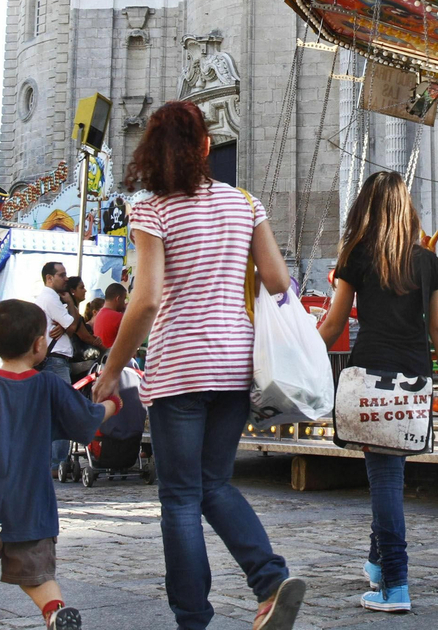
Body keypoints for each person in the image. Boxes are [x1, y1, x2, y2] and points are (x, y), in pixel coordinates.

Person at [92, 100, 306, 630]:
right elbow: (280, 282)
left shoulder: (150, 210)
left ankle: (192, 619)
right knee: (215, 485)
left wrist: (112, 369)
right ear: (206, 147)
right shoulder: (244, 203)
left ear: (151, 152)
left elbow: (145, 300)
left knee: (182, 497)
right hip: (235, 366)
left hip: (180, 367)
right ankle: (269, 580)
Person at [317, 171, 438, 613]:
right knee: (389, 473)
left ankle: (395, 583)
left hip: (369, 374)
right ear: (406, 209)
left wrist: (297, 356)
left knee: (384, 479)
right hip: (414, 377)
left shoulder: (355, 255)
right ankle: (378, 565)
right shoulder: (427, 261)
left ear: (366, 209)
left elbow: (335, 324)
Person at [0, 299, 124, 630]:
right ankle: (54, 611)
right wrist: (111, 404)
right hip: (32, 506)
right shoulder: (49, 385)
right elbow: (85, 422)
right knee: (37, 575)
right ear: (40, 345)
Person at [33, 261, 81, 473]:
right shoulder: (51, 298)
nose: (66, 278)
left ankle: (51, 461)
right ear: (49, 278)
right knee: (63, 411)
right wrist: (70, 303)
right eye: (62, 275)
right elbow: (73, 326)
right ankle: (56, 462)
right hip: (55, 360)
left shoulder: (49, 299)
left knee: (53, 413)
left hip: (53, 359)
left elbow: (69, 326)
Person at [92, 283, 127, 350]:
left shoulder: (99, 315)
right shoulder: (118, 317)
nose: (124, 303)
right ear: (118, 299)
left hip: (102, 356)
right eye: (124, 299)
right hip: (115, 356)